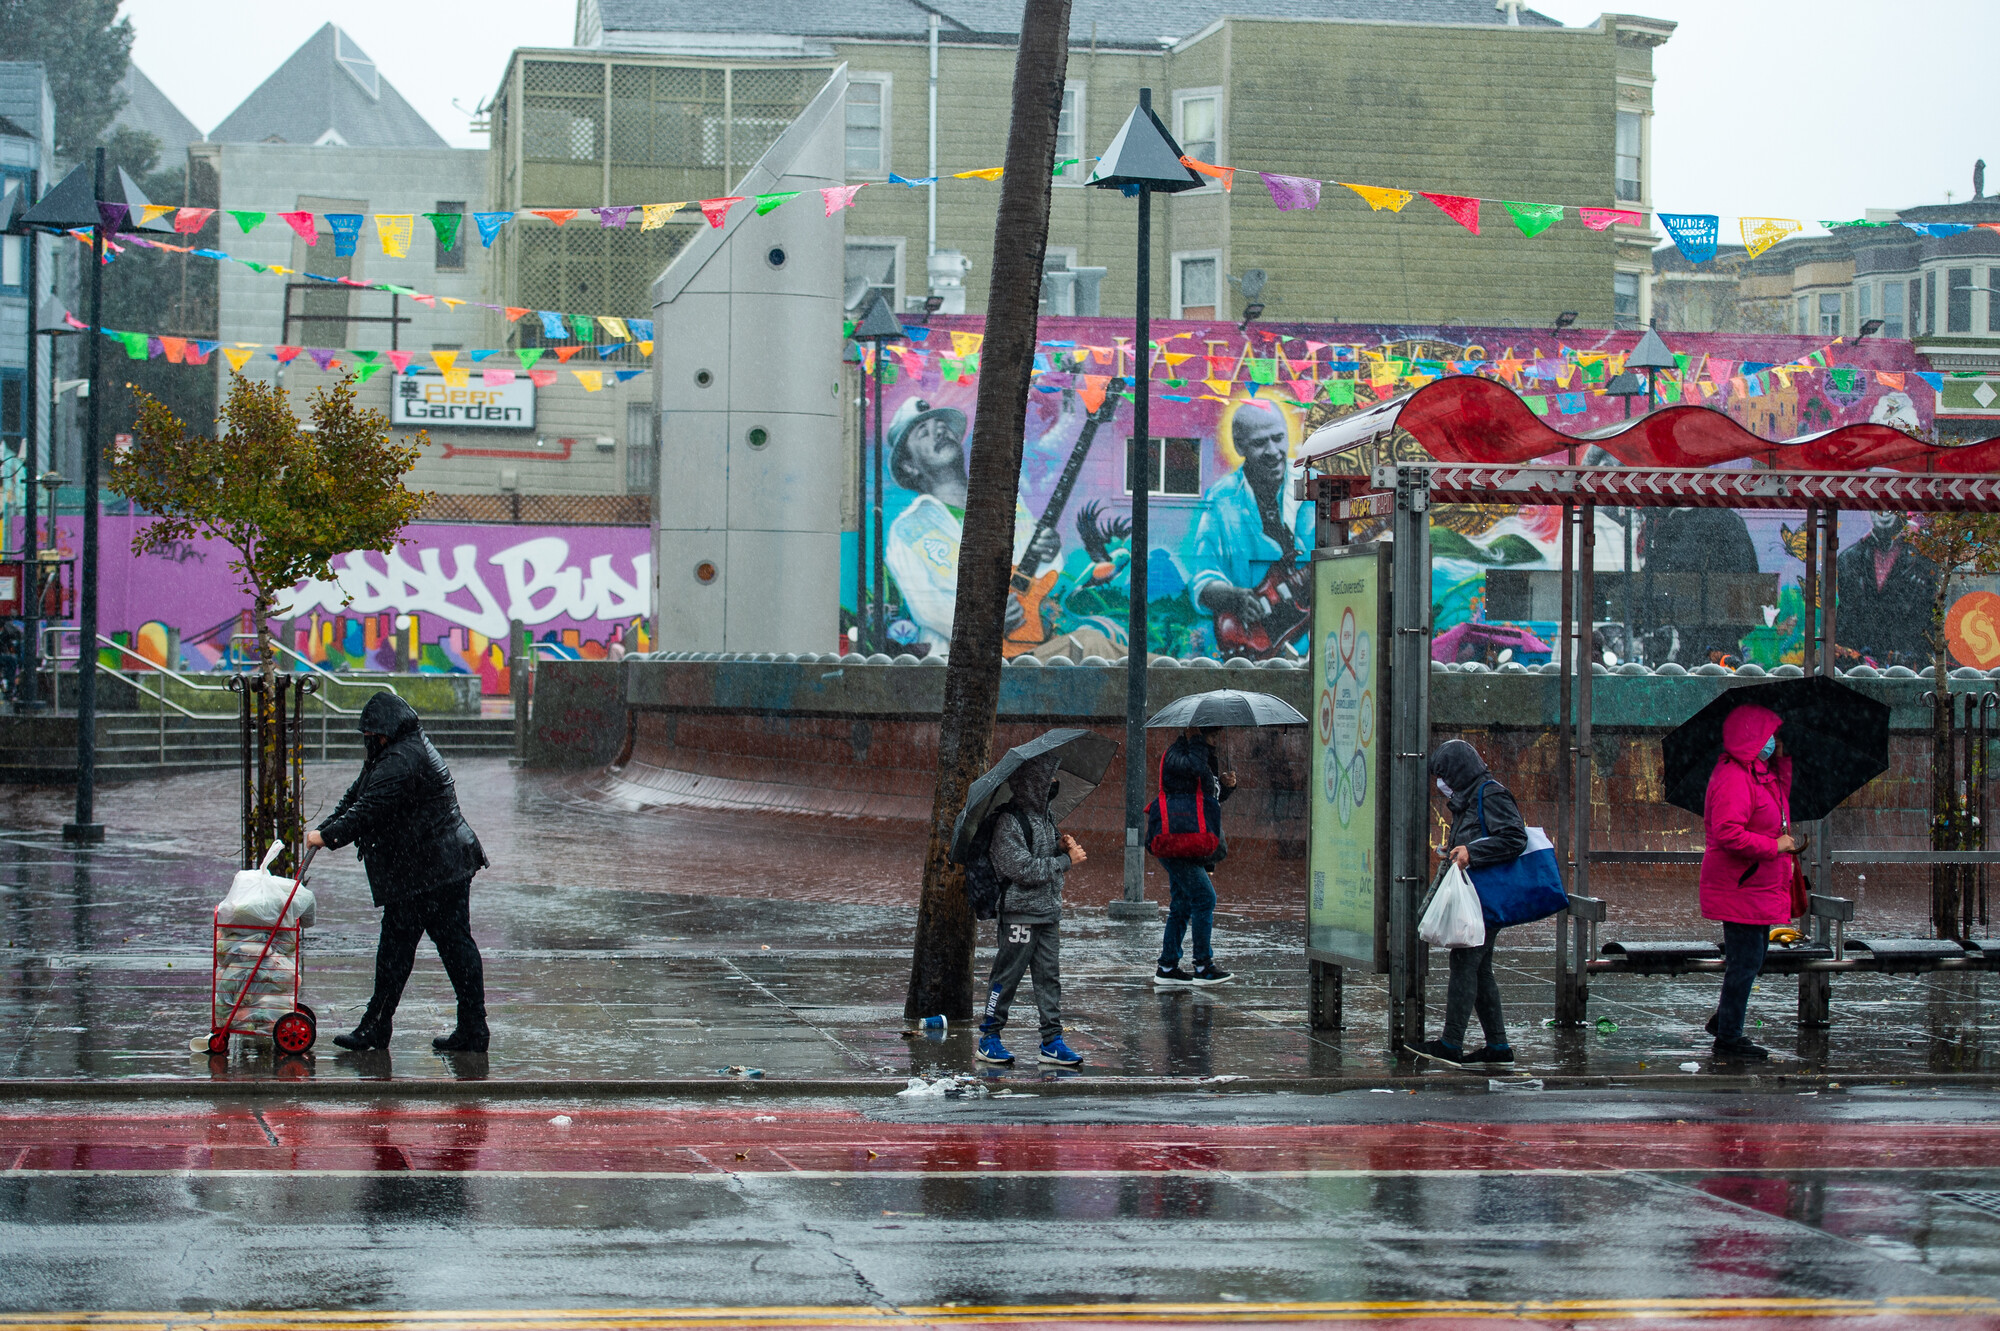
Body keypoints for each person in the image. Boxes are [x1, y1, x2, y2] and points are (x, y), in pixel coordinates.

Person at [307, 691, 491, 1053]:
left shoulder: (403, 758)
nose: (367, 742)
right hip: (432, 867)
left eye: (370, 735)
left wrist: (328, 837)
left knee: (412, 949)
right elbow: (356, 796)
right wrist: (327, 827)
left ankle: (380, 1027)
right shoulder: (395, 751)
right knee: (440, 947)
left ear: (383, 732)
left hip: (431, 871)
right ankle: (468, 1028)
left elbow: (369, 808)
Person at [882, 395, 1115, 661]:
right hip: (964, 661)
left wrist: (1047, 554)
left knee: (1094, 646)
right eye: (924, 432)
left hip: (1026, 647)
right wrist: (987, 620)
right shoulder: (907, 529)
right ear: (909, 466)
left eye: (942, 426)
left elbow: (1037, 577)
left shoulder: (1006, 502)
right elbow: (927, 607)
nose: (939, 431)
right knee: (1093, 647)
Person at [1411, 739, 1527, 1068]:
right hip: (1476, 896)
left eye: (1444, 774)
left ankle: (1451, 1043)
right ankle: (1498, 1046)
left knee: (1464, 961)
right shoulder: (1468, 798)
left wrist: (1472, 853)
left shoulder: (1490, 794)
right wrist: (1456, 851)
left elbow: (1514, 838)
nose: (1441, 782)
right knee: (1479, 967)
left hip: (1484, 897)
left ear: (1459, 771)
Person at [1699, 703, 1798, 1062]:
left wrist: (1782, 763)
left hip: (1754, 887)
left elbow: (1777, 809)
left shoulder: (1759, 774)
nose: (1774, 741)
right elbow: (1728, 832)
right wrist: (1775, 847)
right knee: (1745, 962)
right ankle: (1728, 1038)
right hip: (1740, 886)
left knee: (1752, 959)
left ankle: (1726, 1021)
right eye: (1769, 735)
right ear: (1753, 738)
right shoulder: (1734, 777)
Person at [976, 751, 1087, 1068]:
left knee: (1049, 978)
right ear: (1033, 784)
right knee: (1006, 976)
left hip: (1048, 913)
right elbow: (1022, 869)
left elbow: (1040, 856)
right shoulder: (1009, 822)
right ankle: (989, 1037)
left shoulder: (1045, 818)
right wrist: (1065, 861)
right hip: (1020, 915)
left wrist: (1059, 846)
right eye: (1048, 777)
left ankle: (1052, 1041)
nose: (1054, 782)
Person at [1189, 402, 1315, 656]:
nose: (1273, 451)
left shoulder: (1317, 484)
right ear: (1239, 446)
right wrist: (1236, 598)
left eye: (1278, 438)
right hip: (1250, 645)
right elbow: (1202, 578)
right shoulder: (1221, 499)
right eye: (1260, 442)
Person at [1151, 725, 1236, 987]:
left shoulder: (1199, 756)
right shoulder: (1176, 755)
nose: (1215, 741)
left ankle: (1167, 966)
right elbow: (1193, 769)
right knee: (1204, 897)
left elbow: (1206, 798)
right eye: (1212, 736)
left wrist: (1226, 786)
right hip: (1175, 839)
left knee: (1182, 903)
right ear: (1194, 731)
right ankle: (1203, 965)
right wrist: (1198, 740)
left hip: (1187, 839)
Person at [1836, 512, 1938, 667]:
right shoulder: (1849, 558)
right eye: (1877, 507)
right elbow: (1846, 616)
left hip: (1908, 665)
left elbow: (1929, 616)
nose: (1883, 513)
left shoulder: (1923, 559)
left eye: (1891, 508)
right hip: (1861, 664)